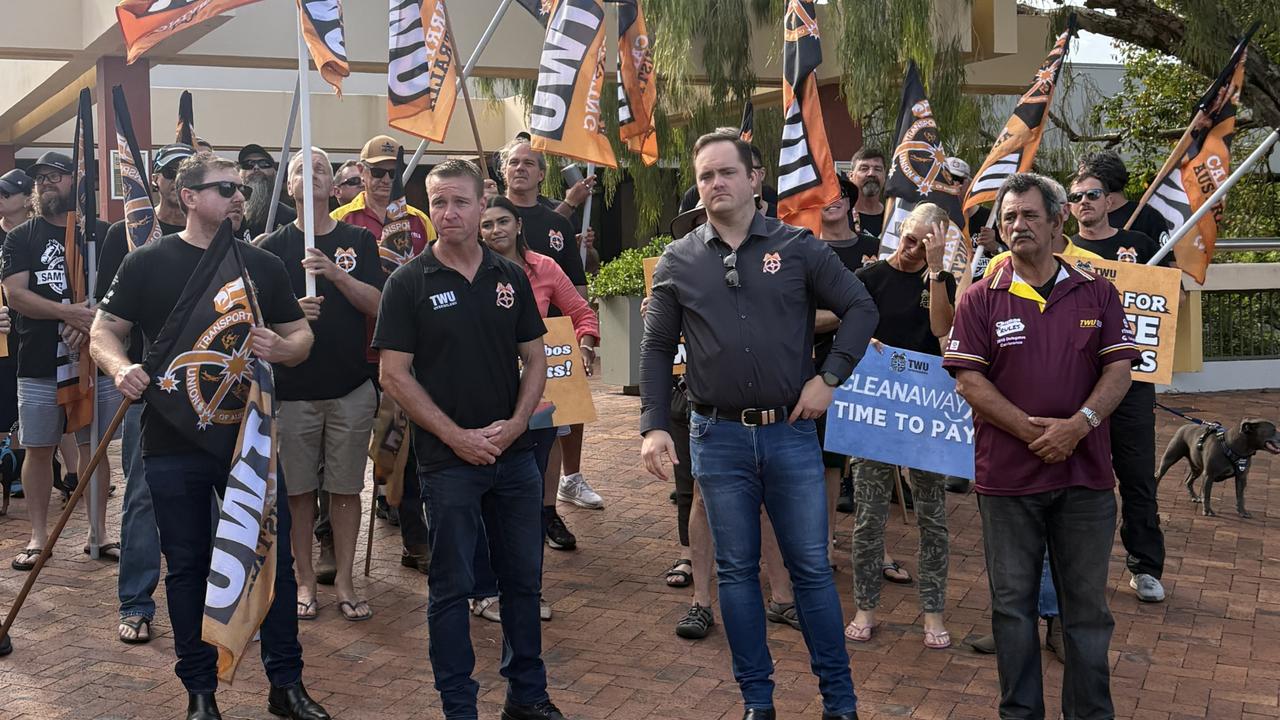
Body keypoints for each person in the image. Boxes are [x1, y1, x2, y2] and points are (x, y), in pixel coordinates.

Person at [640, 131, 877, 720]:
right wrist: (653, 425)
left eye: (726, 172)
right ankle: (757, 702)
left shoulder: (799, 246)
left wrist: (831, 378)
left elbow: (861, 308)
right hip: (715, 438)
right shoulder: (680, 258)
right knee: (737, 573)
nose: (715, 184)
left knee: (812, 573)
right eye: (705, 176)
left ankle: (840, 704)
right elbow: (654, 347)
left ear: (755, 178)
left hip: (791, 434)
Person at [90, 152, 328, 720]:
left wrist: (284, 348)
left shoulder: (264, 266)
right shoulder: (147, 262)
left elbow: (301, 339)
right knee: (190, 565)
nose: (237, 197)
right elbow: (104, 331)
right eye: (224, 188)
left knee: (270, 561)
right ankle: (200, 692)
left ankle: (286, 686)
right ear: (189, 197)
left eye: (241, 189)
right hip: (173, 439)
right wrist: (120, 368)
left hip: (250, 442)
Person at [374, 159, 567, 720]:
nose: (449, 213)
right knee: (452, 588)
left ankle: (527, 696)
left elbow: (535, 357)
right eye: (438, 203)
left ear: (484, 206)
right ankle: (459, 705)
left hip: (515, 458)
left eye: (460, 201)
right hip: (447, 464)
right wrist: (457, 438)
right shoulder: (407, 283)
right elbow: (394, 375)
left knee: (523, 583)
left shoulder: (509, 279)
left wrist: (515, 425)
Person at [943, 172, 1137, 720]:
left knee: (1088, 614)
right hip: (1008, 481)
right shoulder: (981, 298)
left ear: (1057, 223)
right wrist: (1036, 434)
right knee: (1011, 610)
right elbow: (969, 382)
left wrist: (1079, 424)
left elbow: (1119, 371)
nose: (1017, 225)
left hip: (1086, 481)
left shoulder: (1097, 291)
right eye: (1008, 218)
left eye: (1030, 215)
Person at [259, 147, 384, 622]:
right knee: (298, 493)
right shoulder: (270, 248)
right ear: (287, 186)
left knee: (347, 488)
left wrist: (334, 273)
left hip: (350, 388)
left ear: (333, 186)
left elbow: (377, 303)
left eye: (320, 170)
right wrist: (291, 309)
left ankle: (347, 580)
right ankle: (305, 580)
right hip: (292, 393)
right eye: (299, 170)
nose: (309, 175)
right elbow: (254, 321)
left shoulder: (358, 240)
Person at [472, 195, 599, 623]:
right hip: (480, 401)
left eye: (502, 221)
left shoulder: (544, 269)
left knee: (526, 505)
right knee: (483, 502)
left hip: (539, 404)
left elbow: (582, 313)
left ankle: (529, 591)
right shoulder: (465, 272)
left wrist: (583, 345)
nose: (495, 231)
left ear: (518, 224)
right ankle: (485, 590)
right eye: (486, 224)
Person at [1, 150, 120, 573]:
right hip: (37, 360)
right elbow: (16, 295)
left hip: (95, 358)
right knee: (38, 448)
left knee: (95, 447)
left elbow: (120, 292)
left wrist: (89, 319)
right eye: (41, 179)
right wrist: (67, 313)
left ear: (77, 182)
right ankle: (38, 535)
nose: (47, 183)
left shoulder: (103, 235)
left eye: (56, 176)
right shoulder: (22, 237)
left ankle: (98, 533)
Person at [843, 203, 955, 650]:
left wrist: (935, 271)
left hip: (924, 410)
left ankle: (933, 613)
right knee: (868, 517)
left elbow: (942, 329)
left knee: (933, 516)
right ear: (899, 232)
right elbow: (842, 325)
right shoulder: (869, 279)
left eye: (925, 243)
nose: (912, 249)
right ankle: (865, 607)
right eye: (909, 239)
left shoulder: (937, 283)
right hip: (876, 410)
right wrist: (862, 339)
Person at [97, 142, 195, 644]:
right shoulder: (126, 234)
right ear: (157, 180)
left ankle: (223, 606)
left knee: (223, 499)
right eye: (172, 173)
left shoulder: (222, 237)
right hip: (150, 391)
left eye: (189, 172)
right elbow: (107, 321)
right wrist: (121, 367)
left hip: (212, 394)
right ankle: (136, 601)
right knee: (142, 497)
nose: (181, 181)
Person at [331, 134, 436, 568]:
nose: (384, 180)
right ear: (360, 170)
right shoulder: (340, 220)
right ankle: (331, 545)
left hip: (402, 355)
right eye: (376, 172)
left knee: (405, 450)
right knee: (341, 453)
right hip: (351, 354)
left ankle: (415, 539)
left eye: (392, 173)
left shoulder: (418, 222)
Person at [1068, 168, 1169, 603]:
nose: (1084, 202)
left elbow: (1168, 300)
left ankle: (1145, 565)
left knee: (1136, 475)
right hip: (1074, 380)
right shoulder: (1062, 252)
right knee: (1077, 477)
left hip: (1132, 381)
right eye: (1076, 196)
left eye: (1093, 194)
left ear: (1110, 200)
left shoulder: (1142, 248)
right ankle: (1074, 564)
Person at [498, 139, 597, 551]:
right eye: (513, 163)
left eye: (529, 163)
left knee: (551, 433)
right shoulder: (485, 213)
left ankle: (547, 510)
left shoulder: (555, 226)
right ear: (502, 171)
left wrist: (581, 341)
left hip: (545, 350)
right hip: (493, 355)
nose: (521, 169)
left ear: (541, 174)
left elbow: (573, 289)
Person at [1078, 150, 1172, 245]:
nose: (1079, 185)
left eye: (1085, 180)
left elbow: (1168, 258)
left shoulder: (1148, 217)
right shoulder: (1089, 219)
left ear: (1102, 182)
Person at [948, 157, 1005, 280]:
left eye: (959, 180)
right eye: (947, 179)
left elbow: (1016, 260)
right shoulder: (935, 219)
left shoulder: (992, 219)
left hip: (985, 293)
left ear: (971, 184)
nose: (954, 185)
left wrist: (995, 247)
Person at [238, 143, 297, 239]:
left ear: (275, 173)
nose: (256, 168)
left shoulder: (290, 218)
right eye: (248, 164)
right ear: (239, 174)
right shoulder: (231, 214)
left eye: (264, 164)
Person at [847, 147, 887, 238]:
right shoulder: (841, 217)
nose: (871, 173)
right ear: (851, 176)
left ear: (885, 177)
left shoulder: (892, 218)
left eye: (877, 169)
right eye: (864, 168)